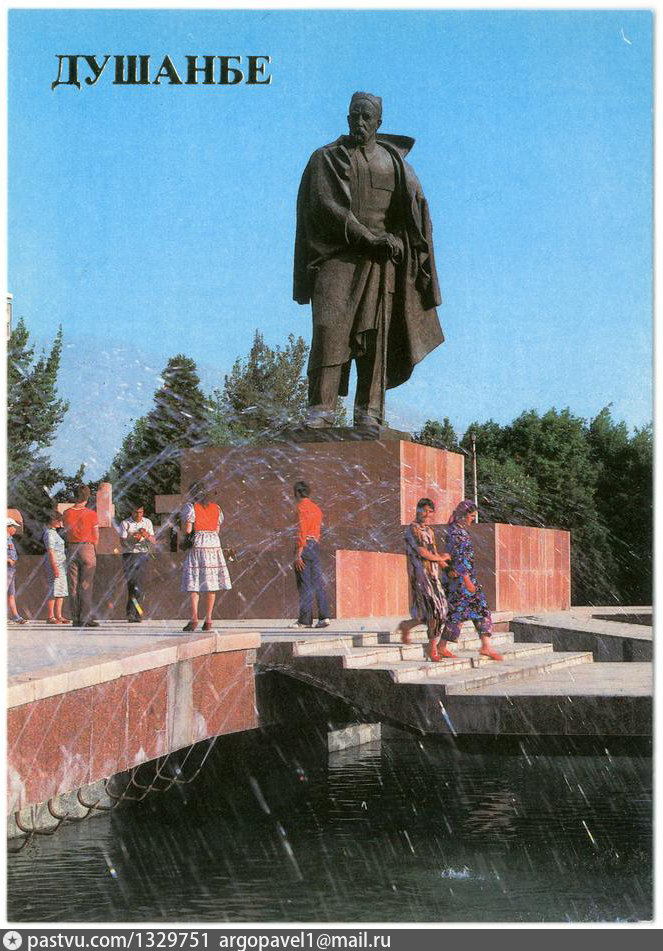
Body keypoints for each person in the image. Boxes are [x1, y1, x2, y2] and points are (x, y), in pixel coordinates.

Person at [294, 91, 443, 429]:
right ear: (347, 118)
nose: (359, 122)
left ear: (379, 122)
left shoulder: (396, 165)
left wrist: (403, 241)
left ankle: (369, 412)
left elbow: (414, 216)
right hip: (337, 258)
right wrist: (367, 237)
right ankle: (320, 410)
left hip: (381, 264)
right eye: (354, 116)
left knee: (375, 338)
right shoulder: (326, 159)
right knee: (328, 329)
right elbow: (326, 207)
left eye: (366, 117)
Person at [443, 500, 503, 662]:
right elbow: (458, 560)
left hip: (467, 579)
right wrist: (467, 580)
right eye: (471, 516)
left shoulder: (459, 531)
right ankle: (442, 646)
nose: (472, 519)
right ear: (463, 516)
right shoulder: (456, 534)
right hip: (462, 581)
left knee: (478, 609)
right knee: (460, 613)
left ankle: (486, 645)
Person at [397, 498, 451, 661]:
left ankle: (407, 626)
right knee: (436, 610)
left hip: (433, 576)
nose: (427, 514)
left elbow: (432, 551)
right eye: (425, 510)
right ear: (418, 510)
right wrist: (440, 558)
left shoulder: (429, 530)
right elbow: (422, 552)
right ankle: (432, 648)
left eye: (430, 512)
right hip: (420, 576)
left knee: (435, 611)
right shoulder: (412, 529)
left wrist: (445, 566)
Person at [181, 483, 231, 632]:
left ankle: (194, 619)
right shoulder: (217, 508)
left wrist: (185, 540)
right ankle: (208, 619)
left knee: (194, 581)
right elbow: (217, 529)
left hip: (198, 544)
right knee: (211, 582)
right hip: (213, 544)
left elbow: (188, 530)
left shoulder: (191, 507)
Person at [292, 481, 330, 629]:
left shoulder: (301, 508)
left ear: (297, 493)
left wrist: (298, 553)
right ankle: (324, 617)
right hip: (315, 545)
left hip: (305, 545)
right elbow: (317, 530)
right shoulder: (316, 508)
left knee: (304, 584)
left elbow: (301, 530)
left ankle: (305, 620)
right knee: (317, 583)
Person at [63, 484, 100, 628]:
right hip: (87, 547)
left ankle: (75, 617)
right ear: (87, 497)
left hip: (72, 547)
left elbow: (66, 531)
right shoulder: (91, 514)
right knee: (86, 585)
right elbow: (96, 535)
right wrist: (94, 550)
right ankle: (85, 617)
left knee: (72, 584)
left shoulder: (66, 513)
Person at [119, 504, 155, 623]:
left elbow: (153, 541)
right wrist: (134, 538)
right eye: (136, 512)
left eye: (141, 512)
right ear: (132, 512)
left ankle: (136, 613)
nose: (138, 515)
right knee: (132, 584)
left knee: (140, 585)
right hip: (130, 555)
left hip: (143, 555)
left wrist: (146, 535)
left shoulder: (147, 522)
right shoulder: (125, 523)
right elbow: (123, 542)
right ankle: (132, 613)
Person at [44, 511, 69, 624]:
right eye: (58, 520)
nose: (60, 522)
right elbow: (51, 551)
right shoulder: (49, 533)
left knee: (61, 590)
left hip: (61, 564)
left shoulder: (55, 533)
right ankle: (51, 616)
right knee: (53, 589)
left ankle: (59, 615)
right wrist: (54, 567)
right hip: (55, 564)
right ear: (53, 520)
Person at [7, 517, 27, 624]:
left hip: (11, 570)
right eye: (13, 526)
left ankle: (16, 616)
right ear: (7, 527)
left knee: (11, 594)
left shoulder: (10, 539)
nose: (15, 529)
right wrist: (8, 559)